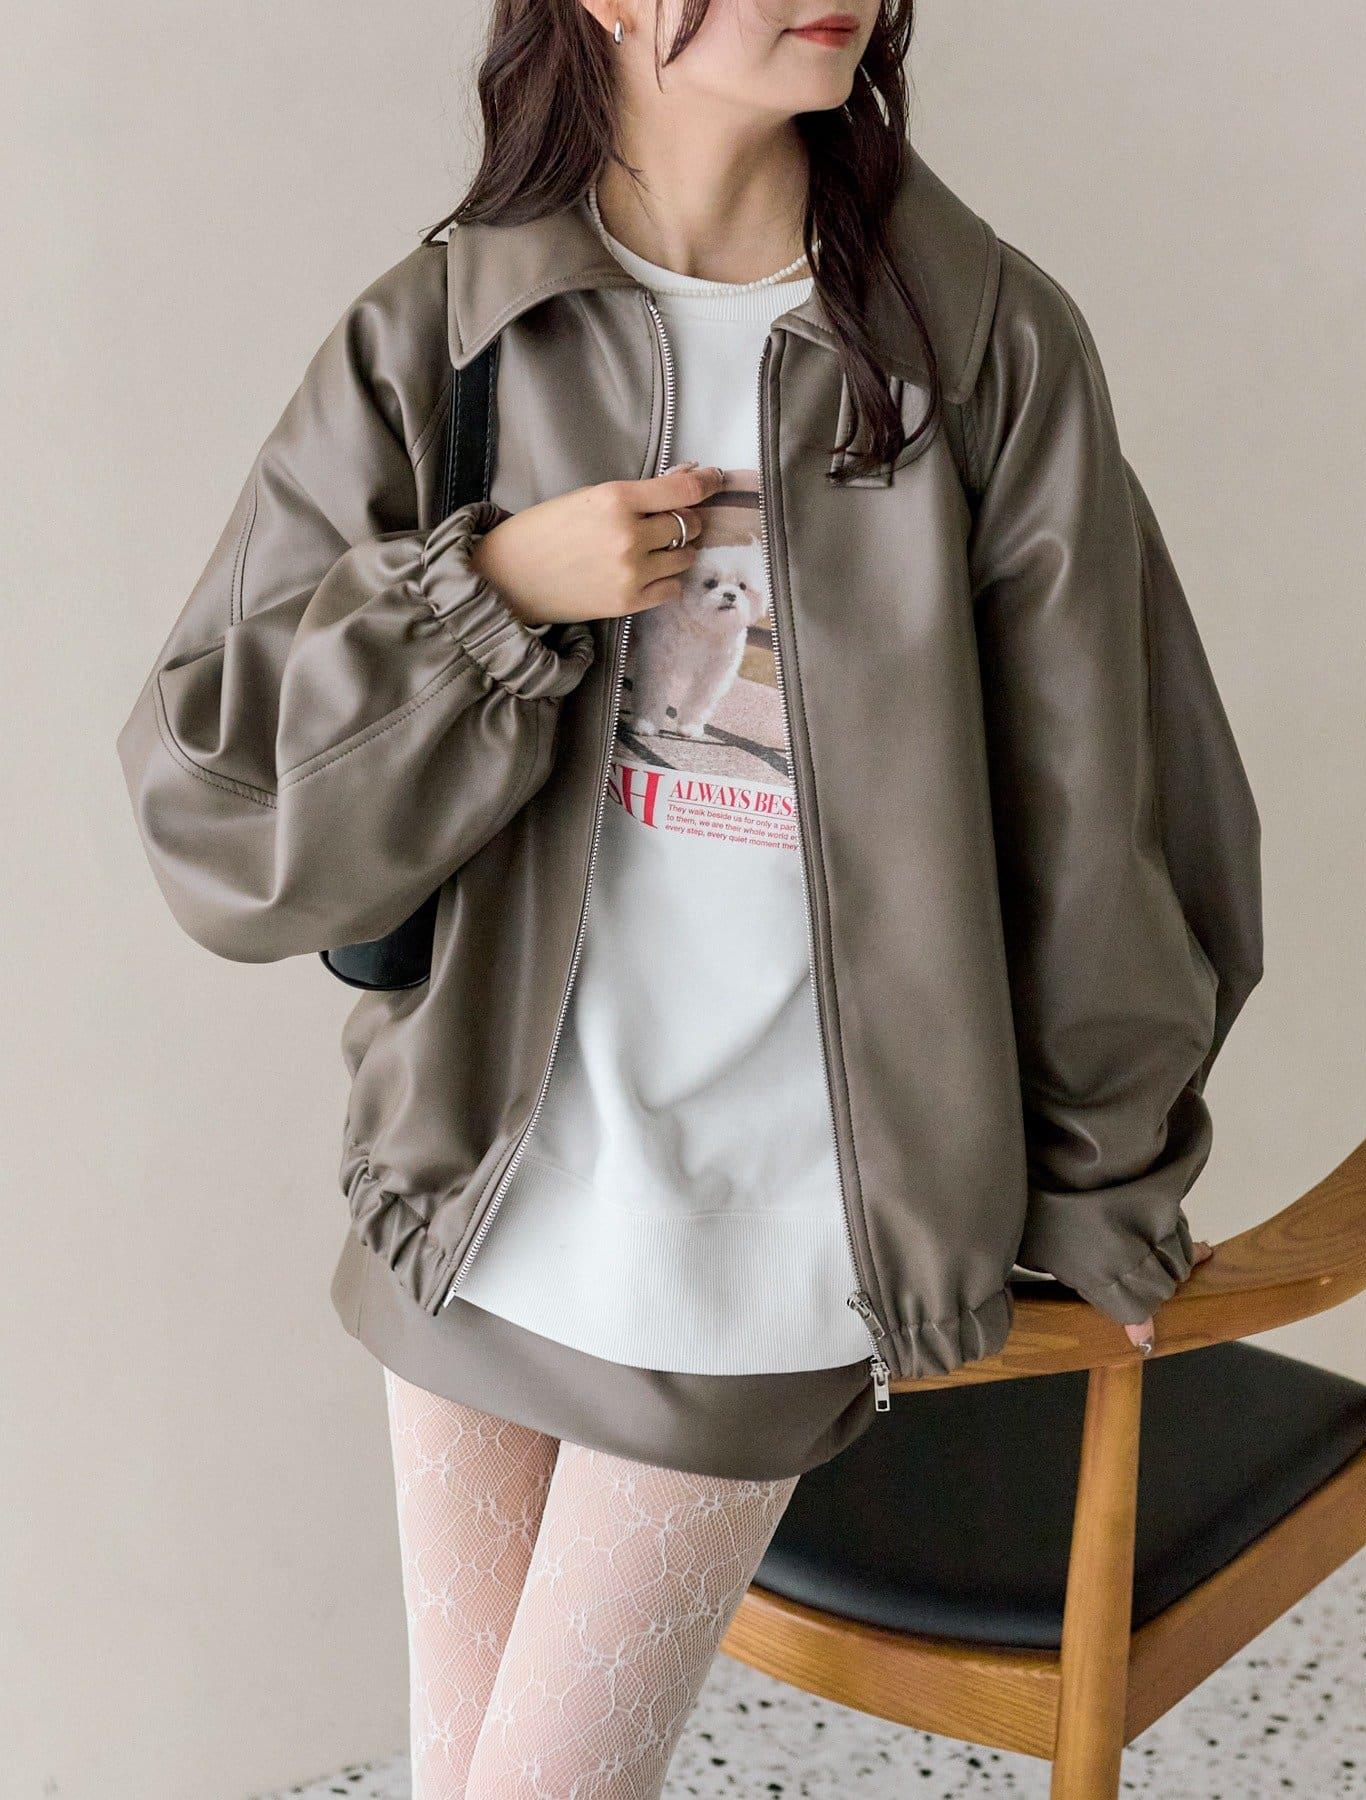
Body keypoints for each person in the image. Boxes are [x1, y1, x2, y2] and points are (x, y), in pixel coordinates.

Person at [117, 1, 1260, 1793]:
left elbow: (1102, 795)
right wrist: (490, 591)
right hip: (480, 1186)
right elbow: (217, 794)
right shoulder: (446, 334)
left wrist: (1109, 1174)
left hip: (777, 1216)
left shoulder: (979, 346)